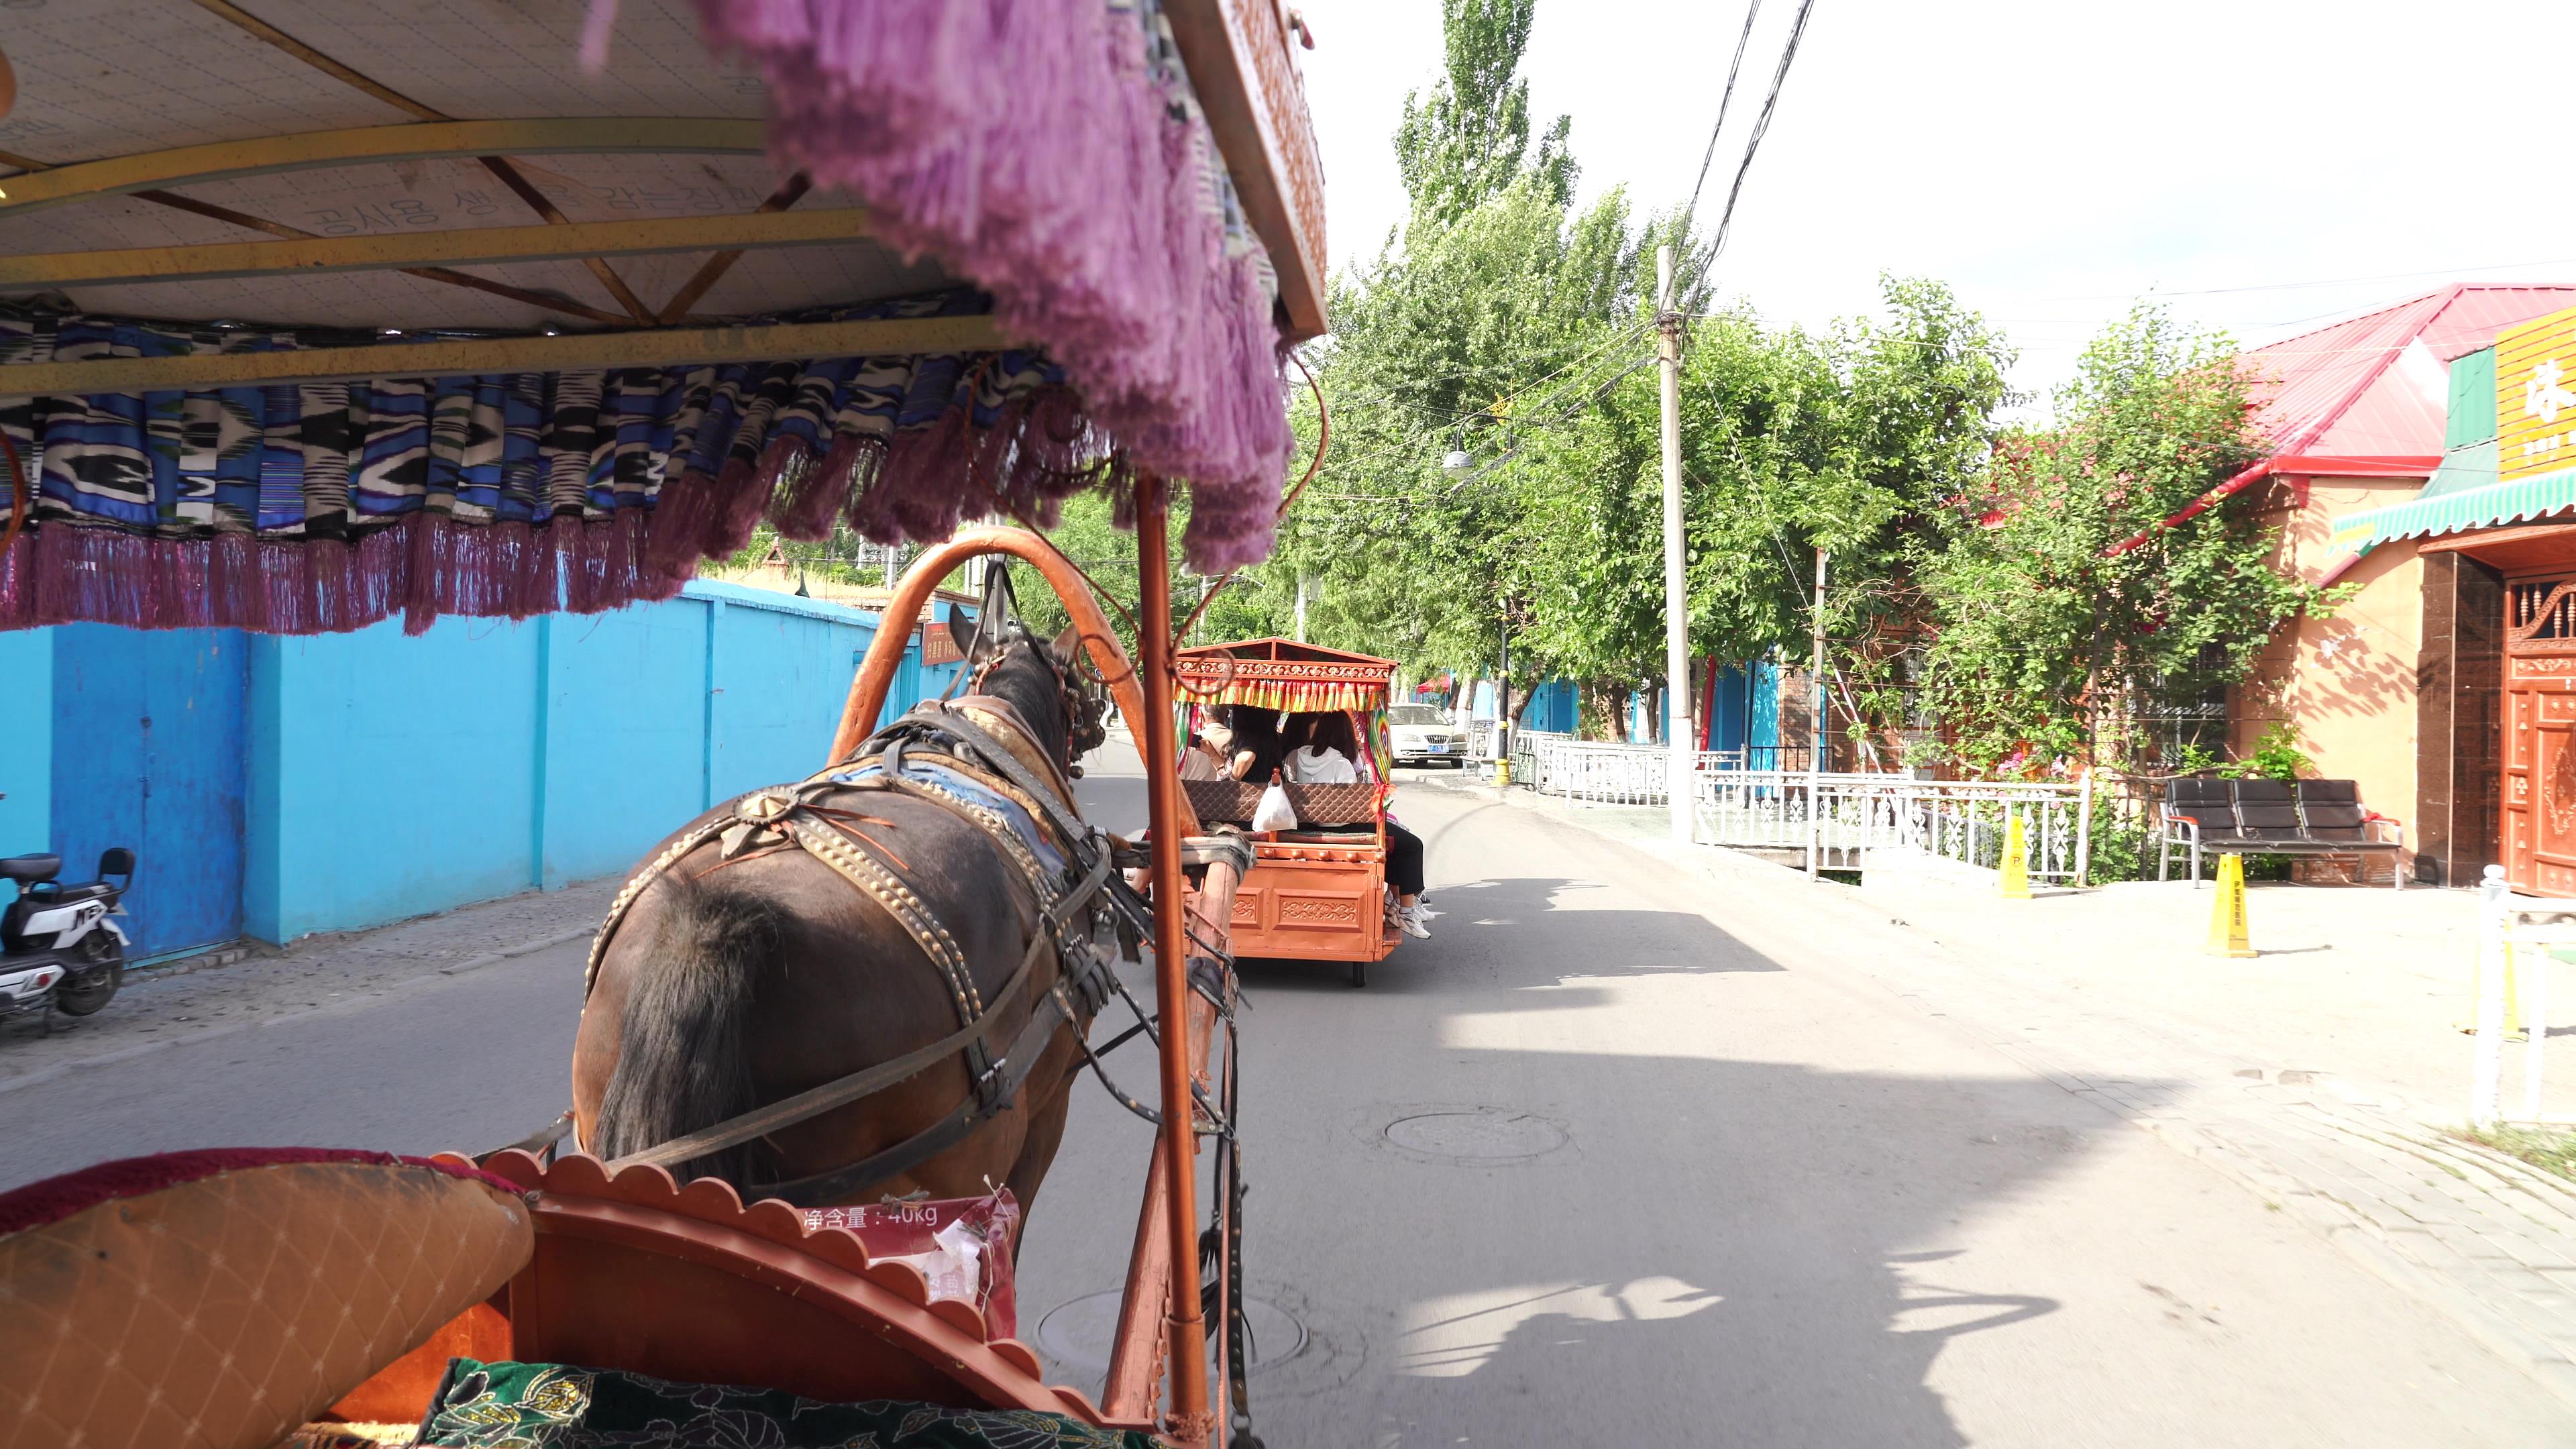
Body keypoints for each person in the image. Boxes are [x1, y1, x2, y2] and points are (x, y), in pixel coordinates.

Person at [1287, 714, 1430, 939]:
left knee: (1395, 835)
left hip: (1301, 825)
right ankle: (1406, 911)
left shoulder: (1293, 757)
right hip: (1342, 827)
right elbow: (1350, 808)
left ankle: (1397, 903)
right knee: (1411, 844)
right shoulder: (1342, 764)